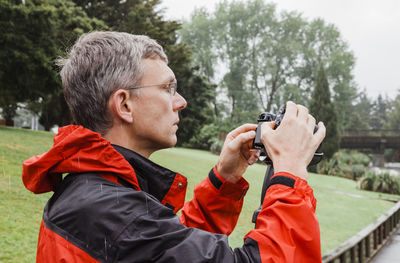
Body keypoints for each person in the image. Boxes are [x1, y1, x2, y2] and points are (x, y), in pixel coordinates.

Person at [22, 31, 326, 262]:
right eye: (168, 89)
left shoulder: (96, 194)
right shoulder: (110, 213)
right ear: (124, 104)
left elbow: (168, 247)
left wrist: (224, 180)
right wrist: (290, 172)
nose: (181, 102)